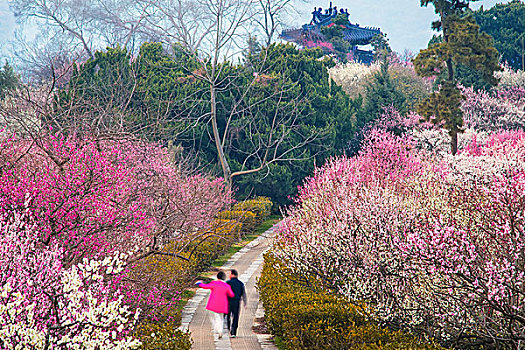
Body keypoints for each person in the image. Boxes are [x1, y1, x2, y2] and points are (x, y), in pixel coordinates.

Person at [196, 271, 234, 339]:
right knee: (221, 318)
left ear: (217, 277)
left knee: (215, 317)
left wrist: (200, 283)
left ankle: (218, 330)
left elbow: (205, 286)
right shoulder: (226, 286)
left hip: (213, 304)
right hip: (223, 304)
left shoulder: (214, 283)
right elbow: (231, 294)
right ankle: (220, 330)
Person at [226, 269, 247, 338]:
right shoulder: (240, 283)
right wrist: (245, 303)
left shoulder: (227, 283)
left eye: (229, 274)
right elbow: (243, 294)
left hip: (228, 302)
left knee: (227, 316)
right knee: (235, 317)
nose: (229, 276)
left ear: (232, 274)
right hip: (237, 302)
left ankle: (228, 329)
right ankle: (233, 332)